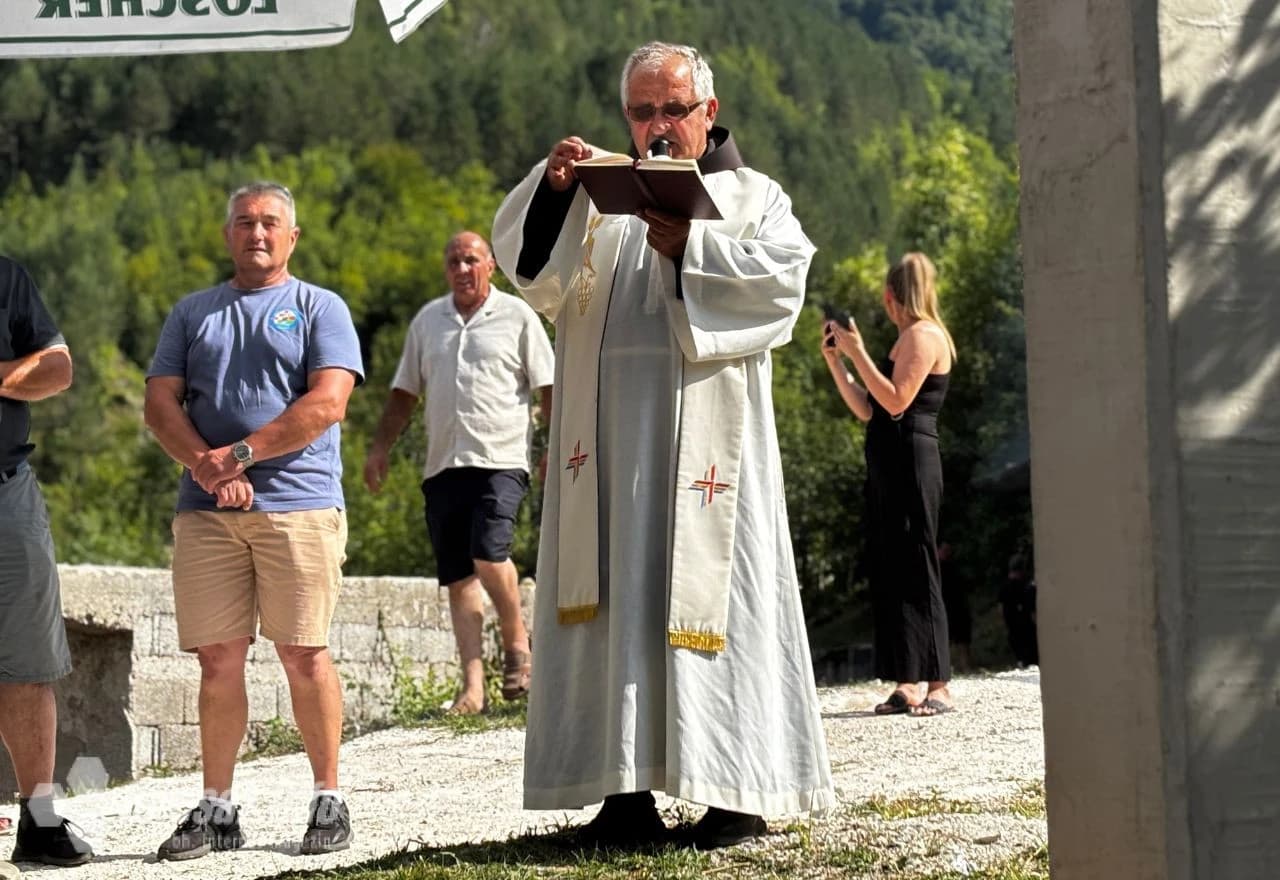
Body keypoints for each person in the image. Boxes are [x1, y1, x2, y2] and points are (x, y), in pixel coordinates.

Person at [491, 41, 835, 849]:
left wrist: (694, 248)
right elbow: (530, 274)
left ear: (707, 113)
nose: (654, 126)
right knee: (616, 604)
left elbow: (783, 289)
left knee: (715, 602)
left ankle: (733, 790)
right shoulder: (602, 209)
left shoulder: (754, 199)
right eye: (640, 111)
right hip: (605, 458)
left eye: (670, 110)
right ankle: (623, 792)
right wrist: (556, 188)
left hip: (710, 466)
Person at [143, 182, 364, 860]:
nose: (257, 233)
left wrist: (238, 456)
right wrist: (208, 471)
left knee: (302, 652)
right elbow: (159, 405)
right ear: (227, 234)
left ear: (292, 237)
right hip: (207, 514)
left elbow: (328, 402)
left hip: (298, 505)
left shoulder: (318, 306)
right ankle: (217, 806)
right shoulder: (192, 313)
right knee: (217, 659)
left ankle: (328, 795)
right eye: (245, 222)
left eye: (270, 223)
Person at [364, 231, 554, 714]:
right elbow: (404, 393)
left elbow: (549, 387)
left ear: (490, 264)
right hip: (443, 464)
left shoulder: (517, 317)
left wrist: (556, 446)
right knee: (458, 578)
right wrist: (380, 448)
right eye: (453, 262)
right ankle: (473, 689)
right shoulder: (429, 321)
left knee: (489, 555)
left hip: (501, 459)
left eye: (471, 259)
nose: (462, 268)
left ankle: (517, 643)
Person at [822, 252, 956, 717]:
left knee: (919, 562)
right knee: (893, 565)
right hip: (887, 460)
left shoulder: (923, 336)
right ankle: (908, 678)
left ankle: (938, 683)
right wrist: (837, 363)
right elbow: (870, 408)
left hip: (913, 460)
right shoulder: (905, 339)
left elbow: (898, 402)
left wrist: (859, 352)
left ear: (890, 296)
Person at [0, 257, 93, 868]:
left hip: (6, 488)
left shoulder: (7, 277)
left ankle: (38, 820)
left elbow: (57, 368)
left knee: (29, 664)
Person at [938, 539, 972, 672]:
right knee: (946, 639)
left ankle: (965, 666)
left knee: (962, 639)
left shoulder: (953, 567)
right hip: (944, 607)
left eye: (948, 551)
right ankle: (947, 667)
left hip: (958, 606)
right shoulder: (936, 569)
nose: (947, 553)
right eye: (944, 550)